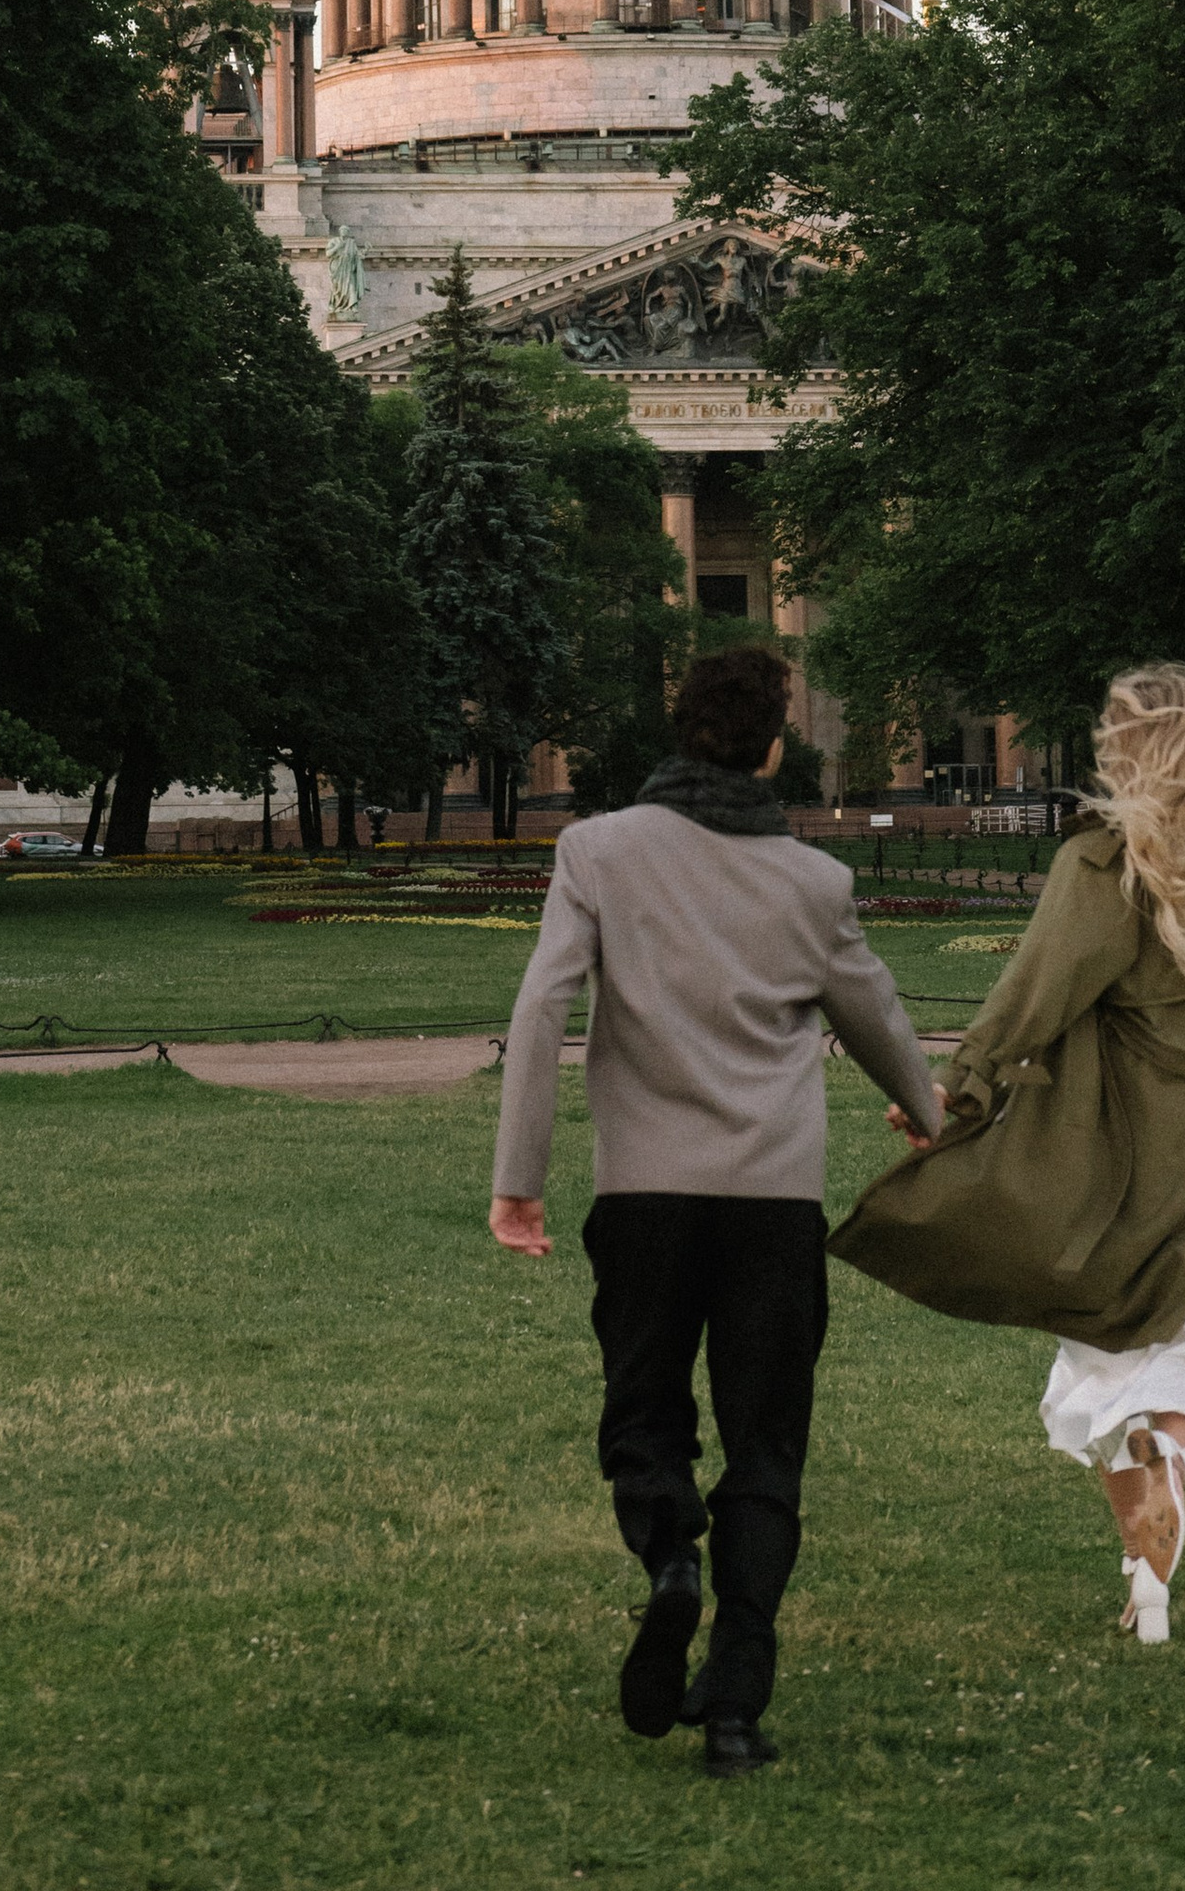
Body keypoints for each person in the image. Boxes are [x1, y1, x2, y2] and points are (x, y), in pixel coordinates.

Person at [835, 661, 1185, 1646]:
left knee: (1102, 1331)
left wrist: (959, 1084)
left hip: (1110, 1146)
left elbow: (1034, 990)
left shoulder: (1097, 868)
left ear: (1116, 751)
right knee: (1174, 1330)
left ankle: (1154, 1487)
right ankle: (1149, 1553)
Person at [488, 640, 944, 1774]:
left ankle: (668, 1559)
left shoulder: (595, 849)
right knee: (765, 1443)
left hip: (641, 1193)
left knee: (644, 1414)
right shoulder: (813, 880)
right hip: (772, 1205)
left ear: (678, 726)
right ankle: (735, 1701)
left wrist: (518, 1176)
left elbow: (543, 1008)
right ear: (773, 748)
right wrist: (929, 1112)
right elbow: (876, 1013)